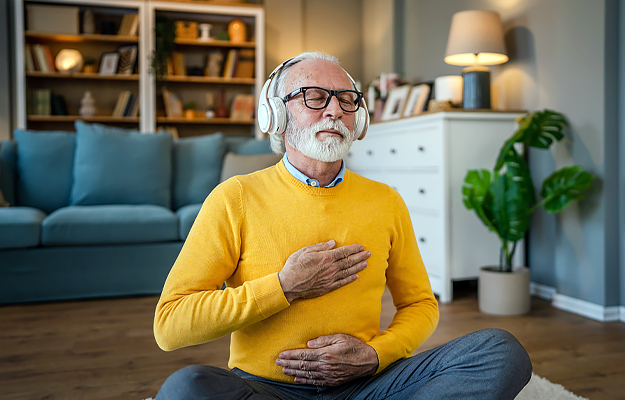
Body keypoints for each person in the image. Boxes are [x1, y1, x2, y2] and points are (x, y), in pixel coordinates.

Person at [153, 52, 532, 400]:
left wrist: (374, 355)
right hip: (267, 389)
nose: (335, 109)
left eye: (347, 99)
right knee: (187, 388)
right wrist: (284, 287)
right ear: (276, 114)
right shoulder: (234, 197)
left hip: (367, 384)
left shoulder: (386, 201)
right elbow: (170, 325)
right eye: (315, 96)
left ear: (359, 119)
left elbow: (420, 304)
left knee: (501, 352)